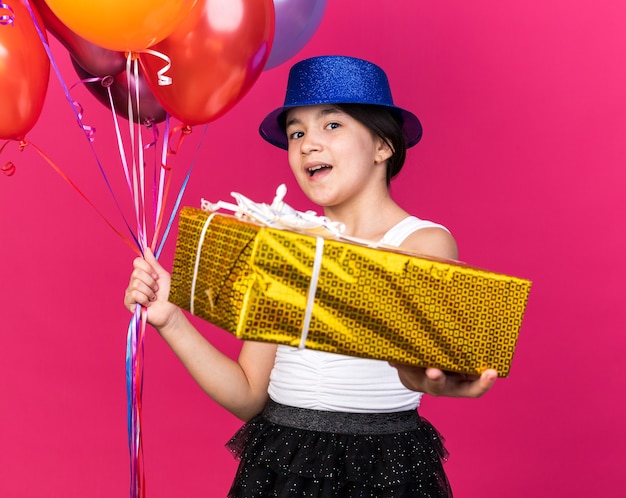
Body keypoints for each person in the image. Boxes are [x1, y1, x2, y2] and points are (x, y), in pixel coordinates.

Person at [124, 55, 497, 497]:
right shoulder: (286, 247)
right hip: (281, 459)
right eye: (296, 132)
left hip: (381, 466)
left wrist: (425, 375)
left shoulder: (423, 243)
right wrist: (172, 319)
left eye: (331, 126)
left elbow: (419, 367)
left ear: (383, 145)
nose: (306, 144)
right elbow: (248, 395)